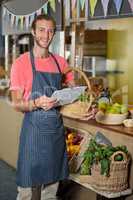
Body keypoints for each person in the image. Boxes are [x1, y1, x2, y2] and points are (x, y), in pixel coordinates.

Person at [10, 14, 75, 200]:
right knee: (27, 191)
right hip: (33, 133)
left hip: (55, 132)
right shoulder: (21, 63)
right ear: (33, 31)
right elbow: (16, 103)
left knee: (50, 191)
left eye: (50, 30)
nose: (46, 35)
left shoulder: (60, 62)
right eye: (41, 30)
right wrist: (36, 103)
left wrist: (82, 103)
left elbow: (72, 90)